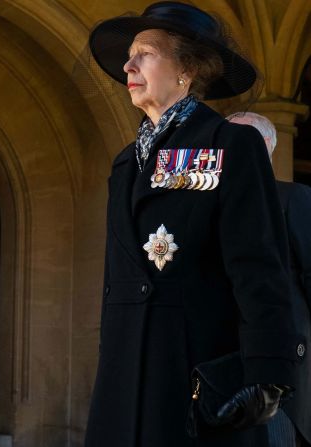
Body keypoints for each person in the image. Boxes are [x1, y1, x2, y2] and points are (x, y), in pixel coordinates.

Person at [85, 2, 306, 446]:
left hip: (194, 370)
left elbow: (259, 265)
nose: (128, 65)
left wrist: (268, 374)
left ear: (187, 67)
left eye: (144, 52)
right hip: (125, 375)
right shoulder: (126, 163)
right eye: (130, 55)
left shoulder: (230, 144)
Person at [227, 111, 311, 447]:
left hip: (278, 358)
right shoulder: (204, 204)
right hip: (221, 356)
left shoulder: (294, 198)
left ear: (264, 147)